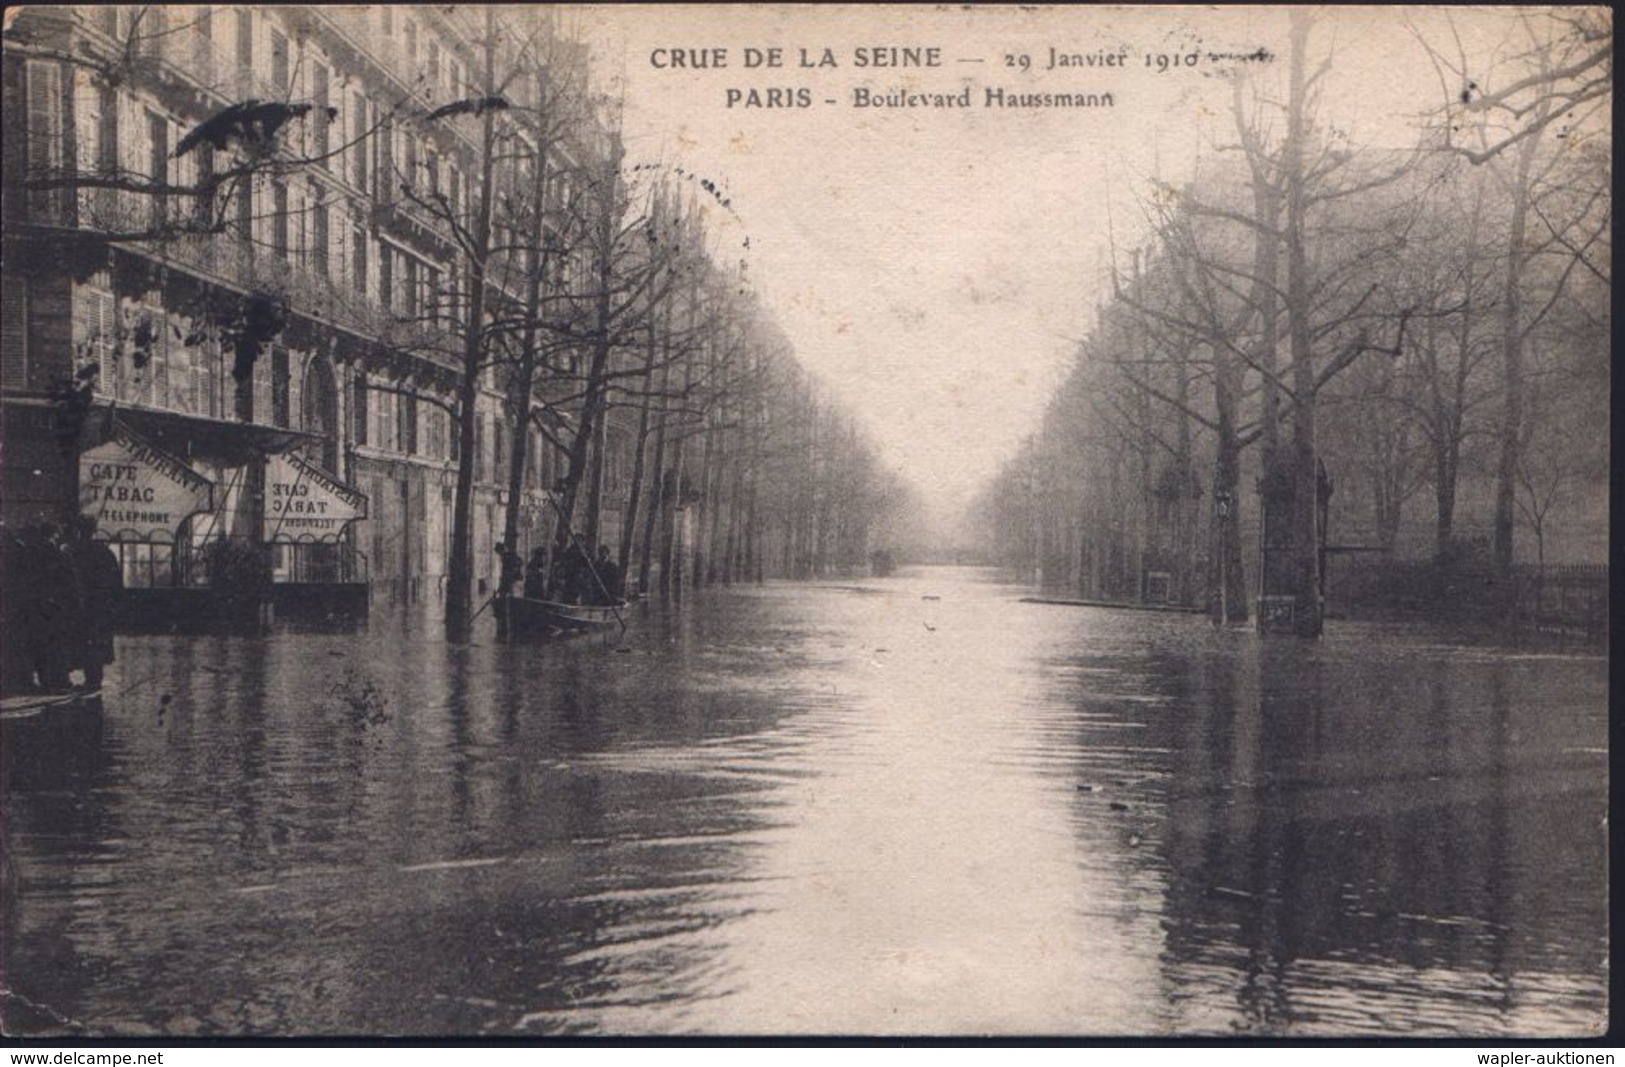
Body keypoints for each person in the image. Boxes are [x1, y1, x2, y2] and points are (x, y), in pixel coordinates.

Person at [63, 515, 122, 690]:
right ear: (94, 530)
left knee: (80, 640)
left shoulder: (71, 551)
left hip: (79, 605)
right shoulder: (105, 552)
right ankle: (94, 680)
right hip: (100, 607)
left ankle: (80, 679)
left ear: (77, 530)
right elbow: (115, 581)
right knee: (96, 643)